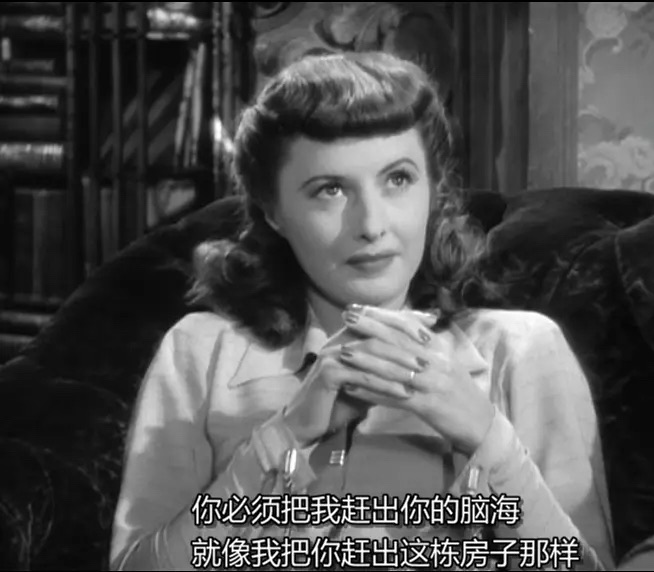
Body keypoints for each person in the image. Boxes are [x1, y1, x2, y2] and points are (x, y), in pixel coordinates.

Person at [109, 50, 615, 571]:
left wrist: (488, 438)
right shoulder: (201, 351)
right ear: (273, 211)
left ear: (433, 189)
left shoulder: (521, 349)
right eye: (330, 190)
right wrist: (284, 436)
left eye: (398, 179)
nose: (372, 225)